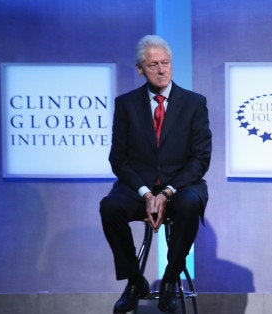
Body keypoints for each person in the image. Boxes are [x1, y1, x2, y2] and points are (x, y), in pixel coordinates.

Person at [100, 35, 212, 313]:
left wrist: (167, 192)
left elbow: (200, 159)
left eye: (166, 63)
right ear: (140, 69)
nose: (161, 70)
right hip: (139, 187)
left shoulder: (194, 103)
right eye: (153, 65)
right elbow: (118, 159)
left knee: (188, 204)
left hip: (181, 186)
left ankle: (170, 280)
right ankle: (135, 280)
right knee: (110, 207)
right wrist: (146, 192)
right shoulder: (126, 104)